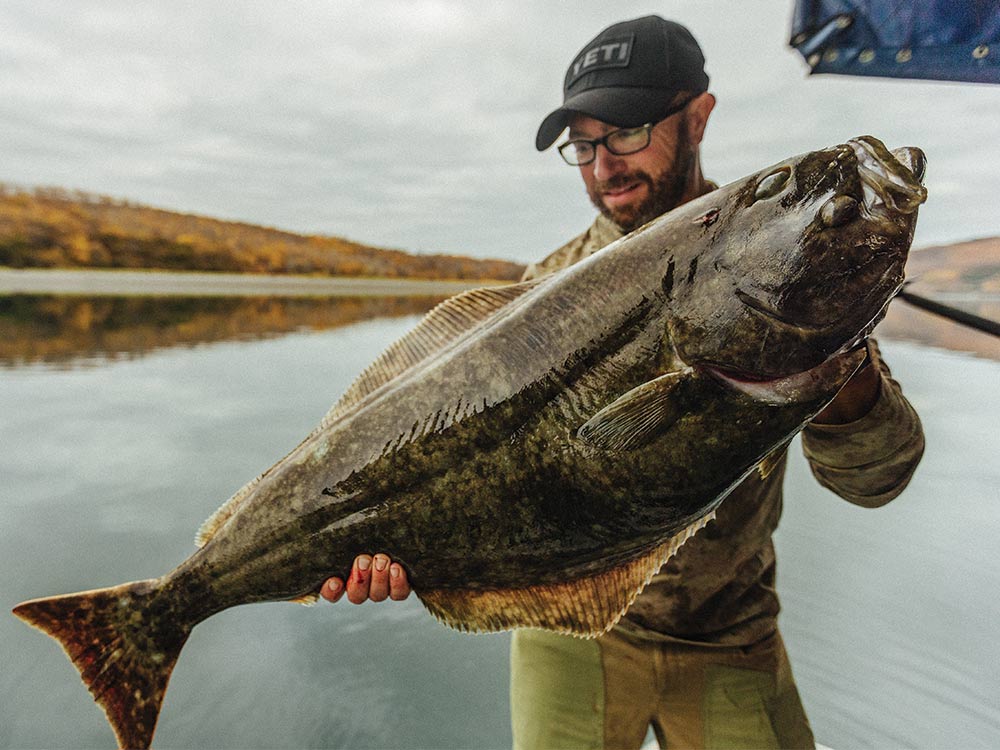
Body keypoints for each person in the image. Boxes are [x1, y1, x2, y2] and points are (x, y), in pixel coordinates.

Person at [321, 15, 925, 749]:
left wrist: (840, 363)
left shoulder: (779, 254)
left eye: (628, 131)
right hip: (566, 638)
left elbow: (877, 480)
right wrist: (389, 546)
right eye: (583, 144)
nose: (604, 165)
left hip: (729, 630)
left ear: (697, 117)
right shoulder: (543, 292)